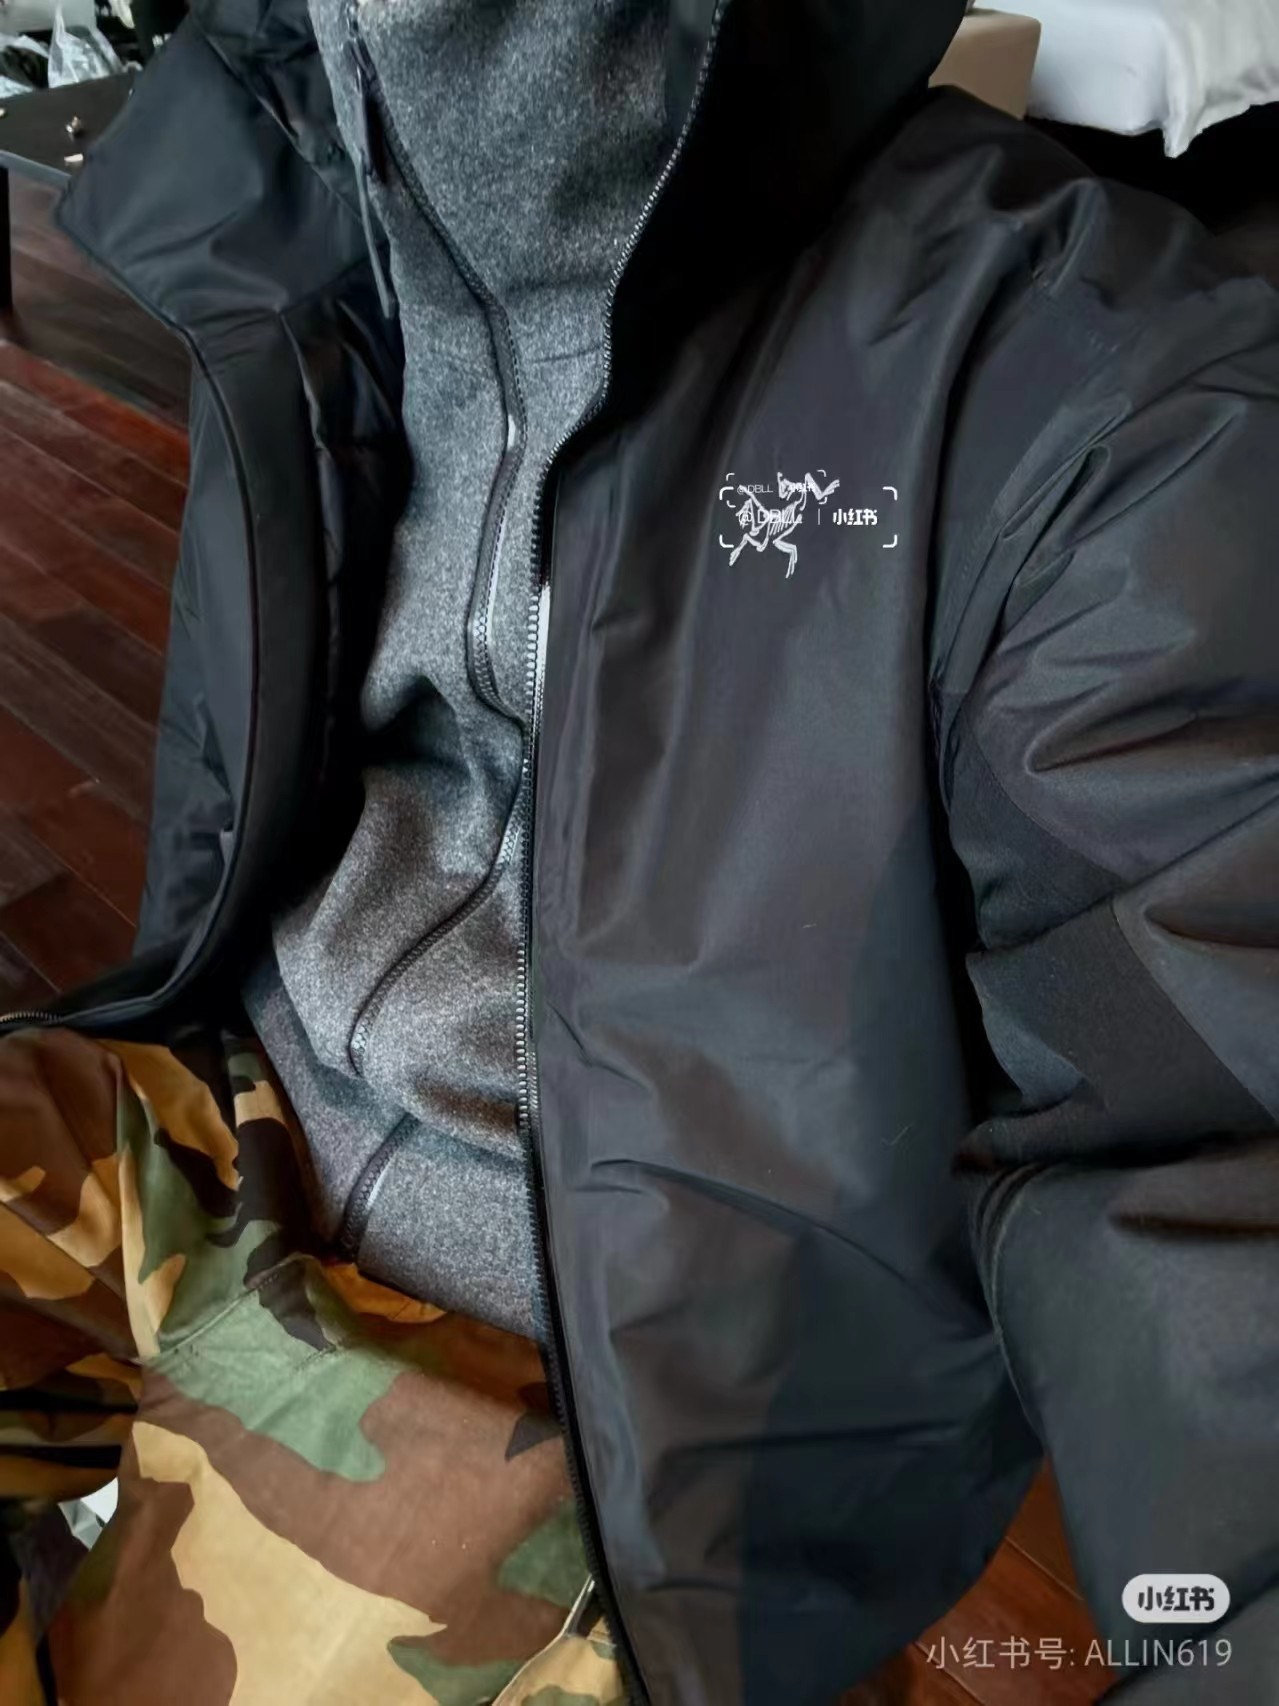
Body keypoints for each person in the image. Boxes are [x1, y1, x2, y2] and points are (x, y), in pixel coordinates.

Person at [3, 0, 1277, 1699]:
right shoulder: (296, 179)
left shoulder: (1097, 391)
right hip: (218, 1107)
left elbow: (1227, 1175)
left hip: (596, 1397)